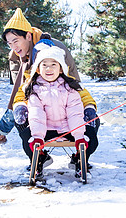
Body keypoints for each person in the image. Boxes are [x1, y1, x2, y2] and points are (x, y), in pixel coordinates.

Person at [0, 9, 98, 157]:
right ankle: (36, 155)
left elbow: (74, 84)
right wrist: (23, 101)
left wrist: (86, 106)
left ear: (27, 36)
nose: (13, 47)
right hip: (37, 94)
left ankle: (81, 155)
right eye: (9, 43)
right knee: (19, 113)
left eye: (15, 41)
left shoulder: (54, 50)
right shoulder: (16, 54)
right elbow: (20, 90)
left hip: (64, 87)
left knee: (89, 118)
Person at [23, 45, 98, 177]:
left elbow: (74, 113)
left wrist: (79, 136)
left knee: (91, 136)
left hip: (68, 127)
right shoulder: (35, 90)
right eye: (44, 65)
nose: (49, 68)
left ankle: (80, 161)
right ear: (38, 70)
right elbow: (36, 114)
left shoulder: (70, 89)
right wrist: (38, 137)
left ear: (61, 69)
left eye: (53, 64)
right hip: (46, 129)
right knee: (26, 136)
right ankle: (38, 160)